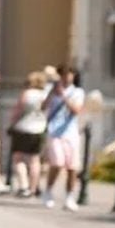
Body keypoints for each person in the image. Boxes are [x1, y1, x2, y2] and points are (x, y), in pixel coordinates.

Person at [41, 66, 85, 211]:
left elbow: (76, 110)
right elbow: (43, 107)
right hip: (54, 132)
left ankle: (69, 197)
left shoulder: (77, 92)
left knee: (72, 167)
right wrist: (52, 94)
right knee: (57, 162)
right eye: (64, 75)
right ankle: (48, 191)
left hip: (71, 133)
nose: (67, 77)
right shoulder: (52, 91)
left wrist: (64, 97)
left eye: (70, 75)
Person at [5, 71, 49, 198]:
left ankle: (23, 186)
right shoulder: (45, 95)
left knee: (18, 158)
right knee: (35, 160)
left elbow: (18, 111)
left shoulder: (27, 94)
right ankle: (33, 188)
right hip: (39, 129)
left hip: (23, 128)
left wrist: (11, 124)